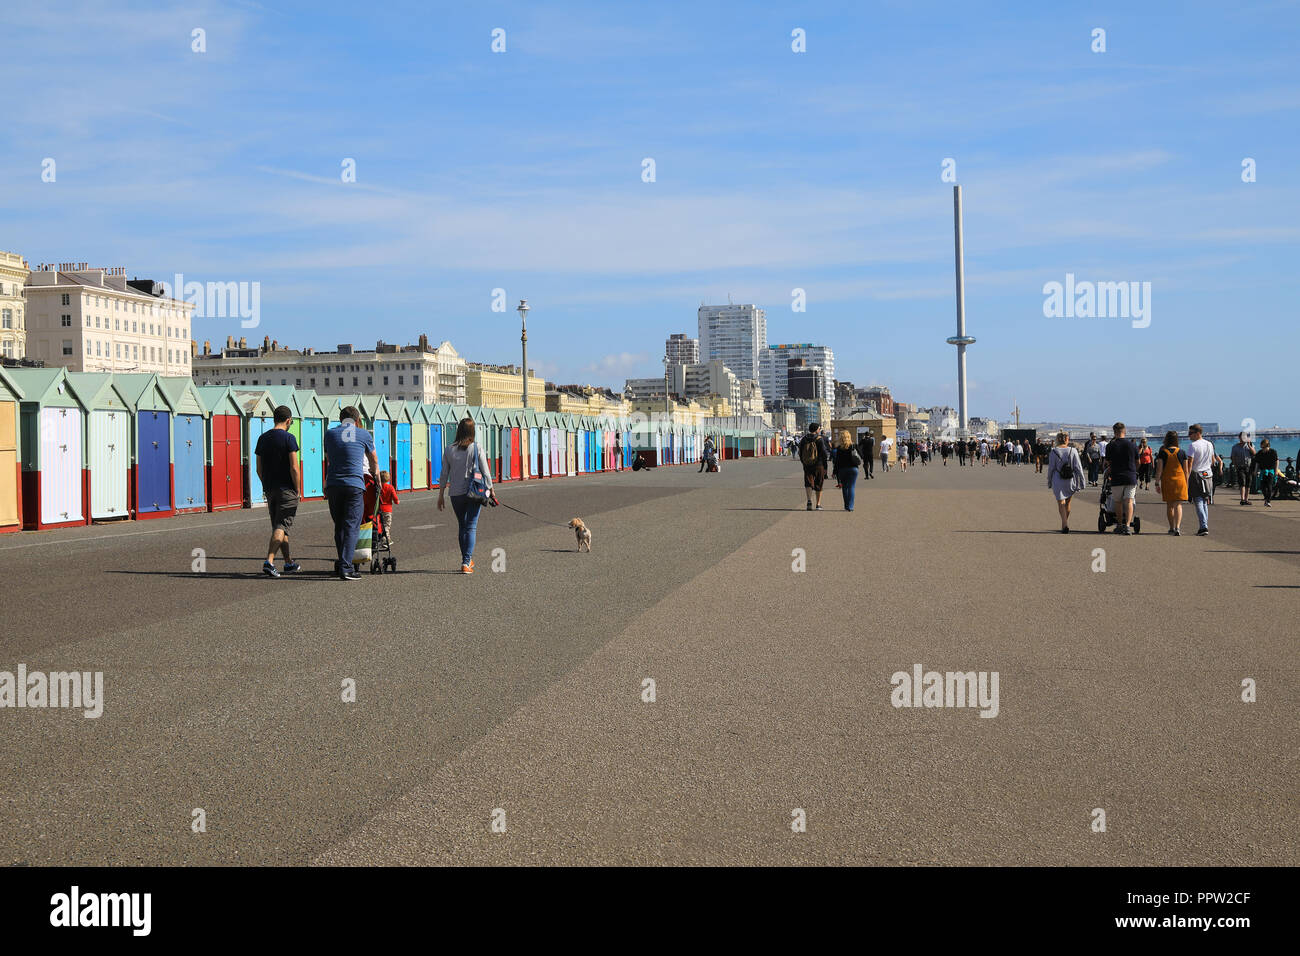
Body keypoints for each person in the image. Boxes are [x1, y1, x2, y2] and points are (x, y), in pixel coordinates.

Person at [324, 405, 379, 581]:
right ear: (357, 420)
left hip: (333, 484)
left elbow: (328, 458)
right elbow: (374, 460)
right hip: (354, 484)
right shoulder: (364, 435)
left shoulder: (330, 434)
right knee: (352, 525)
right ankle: (346, 567)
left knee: (339, 525)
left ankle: (343, 562)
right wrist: (376, 476)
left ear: (341, 420)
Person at [438, 416, 494, 574]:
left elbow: (444, 474)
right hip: (473, 492)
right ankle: (466, 561)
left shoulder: (449, 449)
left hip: (455, 494)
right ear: (472, 431)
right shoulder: (477, 447)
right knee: (471, 526)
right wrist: (491, 490)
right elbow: (485, 472)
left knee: (462, 526)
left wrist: (441, 494)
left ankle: (466, 560)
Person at [255, 404, 303, 578]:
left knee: (280, 526)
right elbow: (294, 467)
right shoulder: (289, 438)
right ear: (288, 420)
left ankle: (289, 562)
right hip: (287, 489)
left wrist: (266, 484)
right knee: (282, 525)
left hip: (270, 489)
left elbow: (258, 468)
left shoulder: (262, 438)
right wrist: (297, 489)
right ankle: (269, 561)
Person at [1103, 422, 1139, 535]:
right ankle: (1127, 525)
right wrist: (1134, 470)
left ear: (1114, 432)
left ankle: (1119, 525)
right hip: (1130, 476)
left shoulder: (1110, 446)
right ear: (1125, 431)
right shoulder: (1132, 445)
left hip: (1117, 476)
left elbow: (1108, 462)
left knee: (1118, 502)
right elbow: (1138, 461)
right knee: (1129, 500)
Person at [1047, 431, 1085, 532]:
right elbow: (1078, 468)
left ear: (1057, 439)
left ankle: (1064, 524)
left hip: (1057, 479)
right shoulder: (1073, 451)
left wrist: (1049, 481)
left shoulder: (1053, 451)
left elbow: (1051, 468)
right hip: (1070, 479)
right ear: (1067, 439)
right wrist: (1082, 481)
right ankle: (1065, 523)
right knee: (1067, 503)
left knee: (1061, 503)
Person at [1154, 430, 1189, 534]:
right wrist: (1187, 483)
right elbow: (1186, 470)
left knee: (1170, 505)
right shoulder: (1182, 452)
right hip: (1180, 480)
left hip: (1167, 480)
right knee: (1178, 505)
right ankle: (1178, 527)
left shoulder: (1163, 453)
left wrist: (1157, 483)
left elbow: (1159, 470)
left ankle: (1171, 527)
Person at [1185, 424, 1218, 536]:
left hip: (1196, 474)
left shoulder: (1193, 446)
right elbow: (1213, 461)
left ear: (1197, 433)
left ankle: (1203, 526)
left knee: (1198, 500)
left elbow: (1190, 463)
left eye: (1191, 433)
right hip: (1208, 474)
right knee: (1205, 500)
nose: (1189, 435)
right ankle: (1204, 525)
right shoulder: (1209, 444)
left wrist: (1186, 478)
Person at [798, 422, 831, 510]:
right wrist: (825, 465)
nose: (819, 430)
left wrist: (804, 462)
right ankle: (818, 504)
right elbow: (824, 453)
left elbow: (800, 452)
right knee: (819, 483)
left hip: (807, 464)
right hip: (819, 464)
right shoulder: (819, 439)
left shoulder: (804, 439)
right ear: (816, 430)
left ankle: (809, 500)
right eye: (819, 429)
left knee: (808, 482)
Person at [831, 431, 862, 511]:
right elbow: (861, 456)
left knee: (845, 488)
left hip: (842, 469)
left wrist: (834, 472)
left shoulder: (839, 448)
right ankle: (851, 507)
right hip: (853, 469)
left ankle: (846, 505)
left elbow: (837, 461)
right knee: (851, 487)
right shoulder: (854, 446)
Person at [1229, 431, 1255, 505]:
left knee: (1248, 484)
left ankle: (1246, 499)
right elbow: (1233, 457)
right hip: (1240, 467)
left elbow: (1254, 453)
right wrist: (1235, 466)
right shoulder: (1235, 447)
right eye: (1242, 437)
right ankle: (1242, 499)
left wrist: (1249, 446)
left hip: (1249, 467)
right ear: (1239, 437)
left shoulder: (1250, 445)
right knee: (1242, 483)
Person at [1255, 438, 1279, 507]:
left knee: (1269, 486)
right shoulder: (1259, 453)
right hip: (1262, 471)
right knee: (1262, 486)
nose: (1262, 449)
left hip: (1270, 471)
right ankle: (1266, 498)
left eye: (1264, 447)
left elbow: (1277, 461)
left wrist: (1276, 470)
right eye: (1261, 447)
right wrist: (1256, 470)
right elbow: (1257, 463)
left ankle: (1268, 501)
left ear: (1268, 446)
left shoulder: (1273, 452)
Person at [377, 469, 399, 541]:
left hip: (379, 508)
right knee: (387, 525)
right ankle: (386, 539)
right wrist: (397, 501)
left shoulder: (378, 487)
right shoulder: (390, 487)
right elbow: (395, 498)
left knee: (380, 524)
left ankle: (381, 537)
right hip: (387, 509)